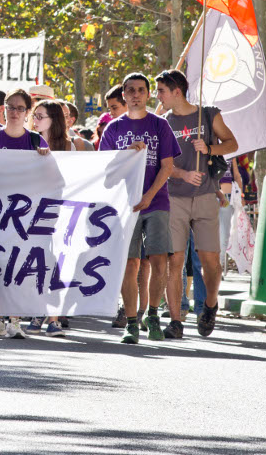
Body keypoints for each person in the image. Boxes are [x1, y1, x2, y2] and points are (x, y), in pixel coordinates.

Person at [99, 73, 180, 344]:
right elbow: (106, 173)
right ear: (123, 94)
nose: (135, 94)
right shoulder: (113, 129)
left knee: (159, 261)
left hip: (156, 203)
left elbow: (167, 166)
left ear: (148, 94)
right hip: (125, 207)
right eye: (130, 90)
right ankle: (132, 322)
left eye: (141, 90)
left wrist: (149, 195)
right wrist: (127, 156)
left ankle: (154, 315)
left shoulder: (160, 125)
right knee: (129, 263)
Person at [156, 69, 237, 338]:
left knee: (209, 261)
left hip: (205, 195)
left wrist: (210, 149)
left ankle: (210, 306)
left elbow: (232, 143)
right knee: (174, 261)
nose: (159, 97)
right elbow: (161, 164)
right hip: (174, 197)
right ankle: (176, 321)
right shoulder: (162, 122)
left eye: (162, 91)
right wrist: (182, 174)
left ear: (176, 91)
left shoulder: (208, 114)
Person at [0, 88, 49, 340]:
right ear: (3, 109)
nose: (15, 112)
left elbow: (50, 181)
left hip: (25, 217)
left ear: (27, 112)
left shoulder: (37, 142)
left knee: (19, 266)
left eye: (20, 108)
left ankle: (14, 320)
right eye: (10, 107)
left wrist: (45, 160)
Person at [25, 99, 77, 337]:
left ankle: (52, 317)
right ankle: (39, 312)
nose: (35, 120)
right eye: (34, 115)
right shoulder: (27, 141)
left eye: (40, 116)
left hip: (58, 211)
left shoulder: (69, 147)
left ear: (53, 120)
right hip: (31, 212)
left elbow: (71, 179)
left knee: (55, 263)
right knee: (38, 261)